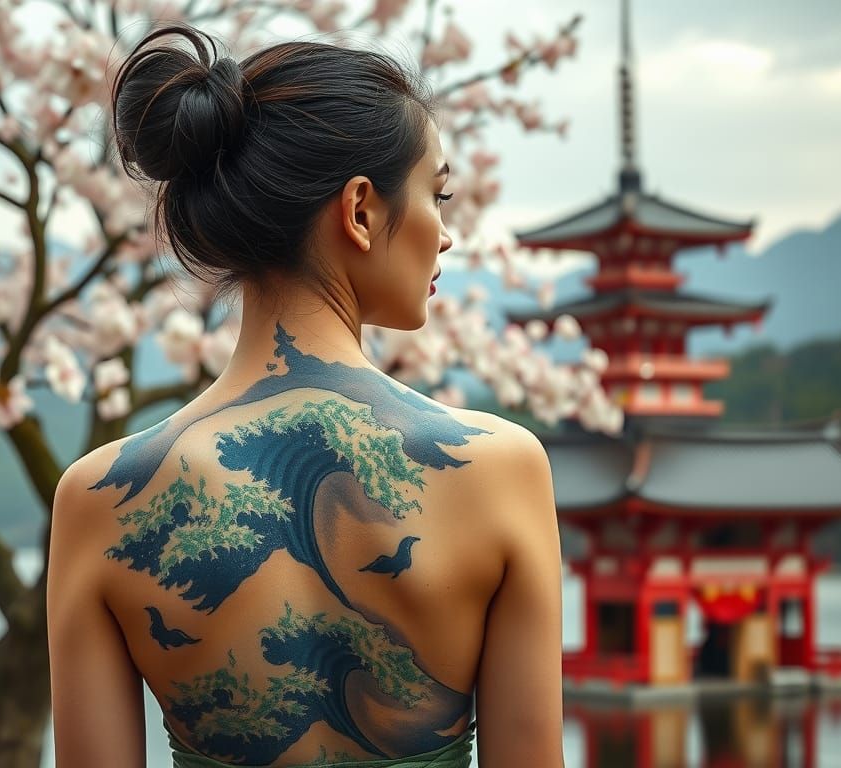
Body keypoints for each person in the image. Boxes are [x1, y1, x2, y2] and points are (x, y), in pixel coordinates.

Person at [46, 22, 563, 768]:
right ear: (360, 210)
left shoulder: (99, 498)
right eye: (437, 194)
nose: (446, 235)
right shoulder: (502, 469)